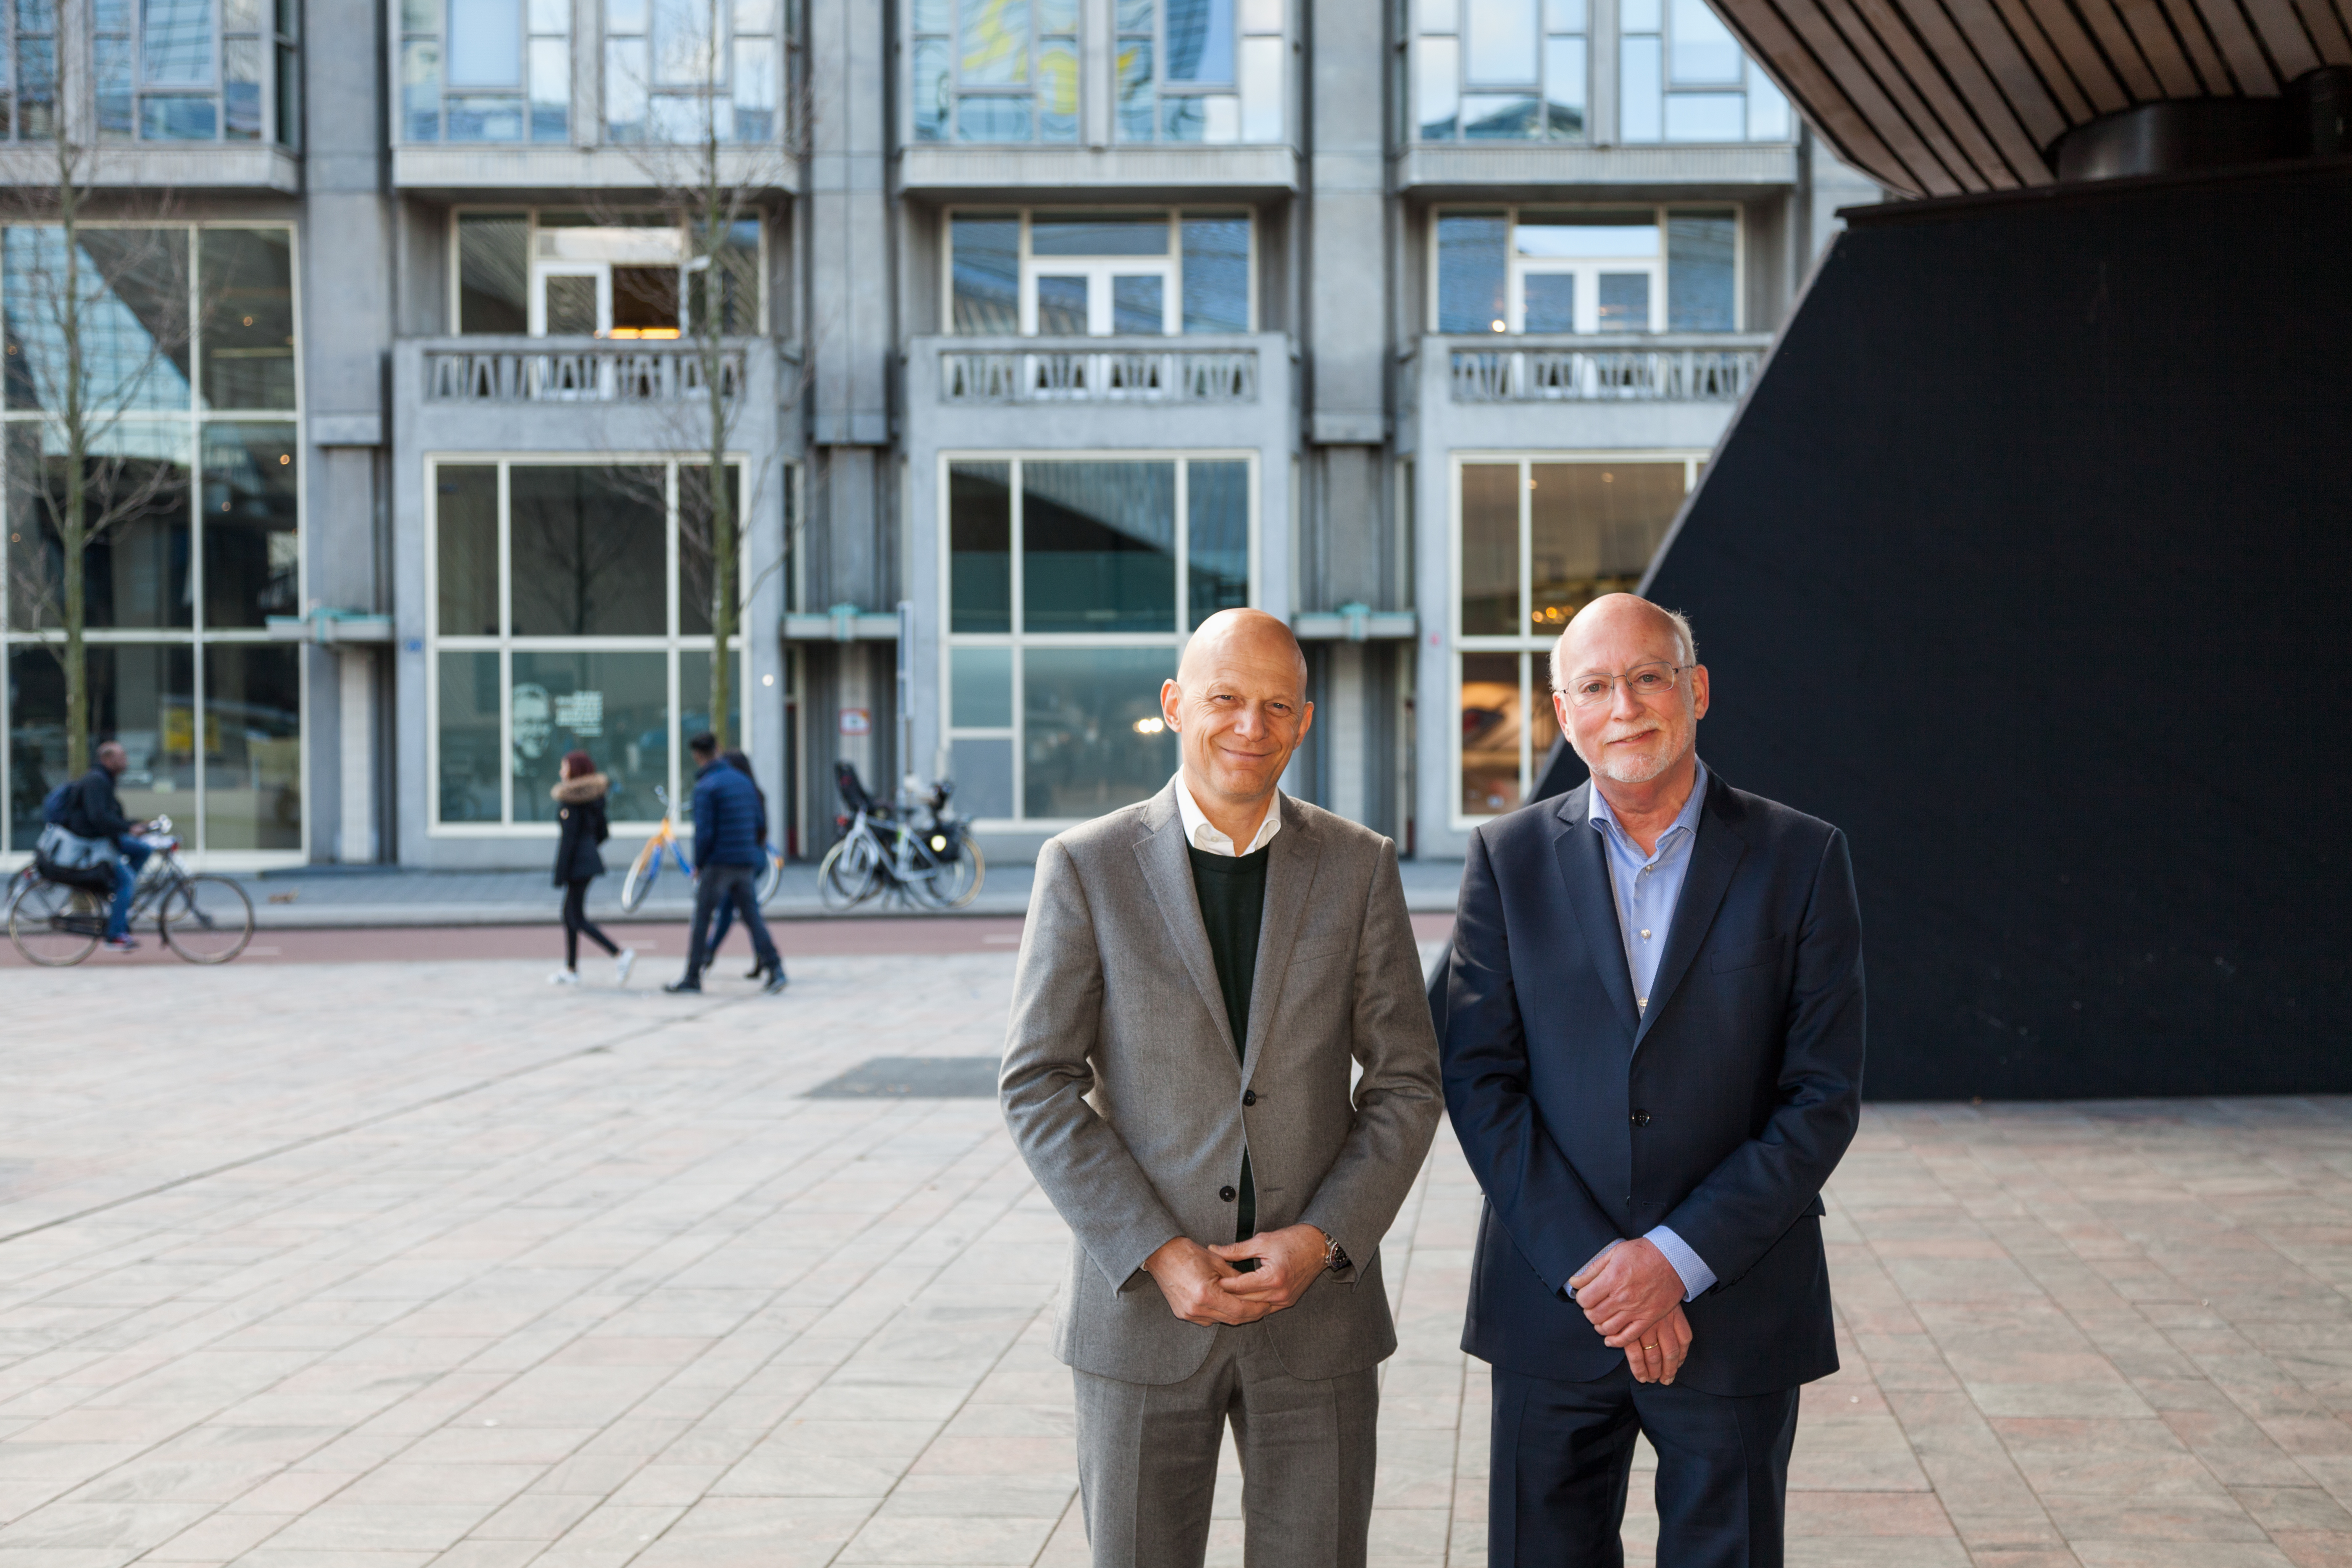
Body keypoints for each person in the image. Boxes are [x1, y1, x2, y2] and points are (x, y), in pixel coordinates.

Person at [1000, 608, 1442, 1568]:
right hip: (1141, 1318)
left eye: (1276, 705)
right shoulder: (1084, 867)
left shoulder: (1357, 866)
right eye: (1226, 699)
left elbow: (1407, 1079)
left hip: (1316, 1314)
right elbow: (1034, 1083)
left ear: (1303, 720)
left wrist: (1322, 1238)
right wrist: (1157, 1251)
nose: (1251, 725)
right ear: (1173, 706)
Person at [1441, 594, 1865, 1568]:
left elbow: (1819, 1098)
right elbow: (1477, 1079)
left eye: (1646, 677)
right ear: (1563, 712)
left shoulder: (1801, 858)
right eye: (1594, 685)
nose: (1623, 706)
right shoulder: (1504, 862)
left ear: (1695, 690)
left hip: (1735, 1306)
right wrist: (1603, 1270)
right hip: (1552, 1307)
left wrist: (1671, 1261)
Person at [664, 732, 784, 994]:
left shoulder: (706, 787)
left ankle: (692, 976)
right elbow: (759, 823)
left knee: (702, 919)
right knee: (753, 917)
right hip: (745, 860)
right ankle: (776, 969)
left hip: (719, 863)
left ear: (697, 756)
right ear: (718, 749)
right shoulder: (744, 782)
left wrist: (699, 864)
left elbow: (704, 833)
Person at [548, 750, 634, 987]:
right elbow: (603, 833)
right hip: (588, 863)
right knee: (570, 915)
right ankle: (571, 969)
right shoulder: (594, 799)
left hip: (578, 864)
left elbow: (569, 842)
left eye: (564, 768)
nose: (561, 772)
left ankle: (619, 954)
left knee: (575, 917)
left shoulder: (571, 801)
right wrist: (590, 849)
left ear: (574, 771)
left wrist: (560, 874)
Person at [59, 742, 154, 953]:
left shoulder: (105, 780)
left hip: (104, 839)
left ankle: (116, 894)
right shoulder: (96, 781)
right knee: (127, 880)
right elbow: (98, 818)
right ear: (108, 760)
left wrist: (133, 825)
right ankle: (115, 935)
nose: (126, 761)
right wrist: (128, 829)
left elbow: (109, 816)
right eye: (121, 757)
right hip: (93, 844)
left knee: (143, 850)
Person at [704, 747, 776, 982]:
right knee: (746, 911)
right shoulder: (755, 792)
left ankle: (707, 955)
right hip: (753, 857)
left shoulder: (744, 793)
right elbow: (762, 829)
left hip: (745, 860)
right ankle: (765, 960)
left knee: (731, 909)